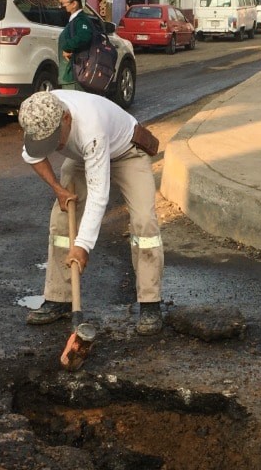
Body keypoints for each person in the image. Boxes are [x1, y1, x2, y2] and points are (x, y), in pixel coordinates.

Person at [19, 89, 164, 334]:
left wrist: (83, 246)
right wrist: (58, 189)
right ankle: (59, 298)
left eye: (54, 139)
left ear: (66, 118)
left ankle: (150, 303)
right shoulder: (38, 114)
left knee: (144, 222)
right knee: (62, 220)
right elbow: (31, 156)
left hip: (126, 152)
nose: (53, 146)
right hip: (81, 157)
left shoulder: (90, 126)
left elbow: (99, 195)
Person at [57, 0, 100, 88]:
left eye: (63, 3)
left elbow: (84, 36)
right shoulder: (74, 20)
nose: (61, 7)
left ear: (74, 4)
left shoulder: (81, 20)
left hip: (75, 75)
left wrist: (67, 48)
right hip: (71, 74)